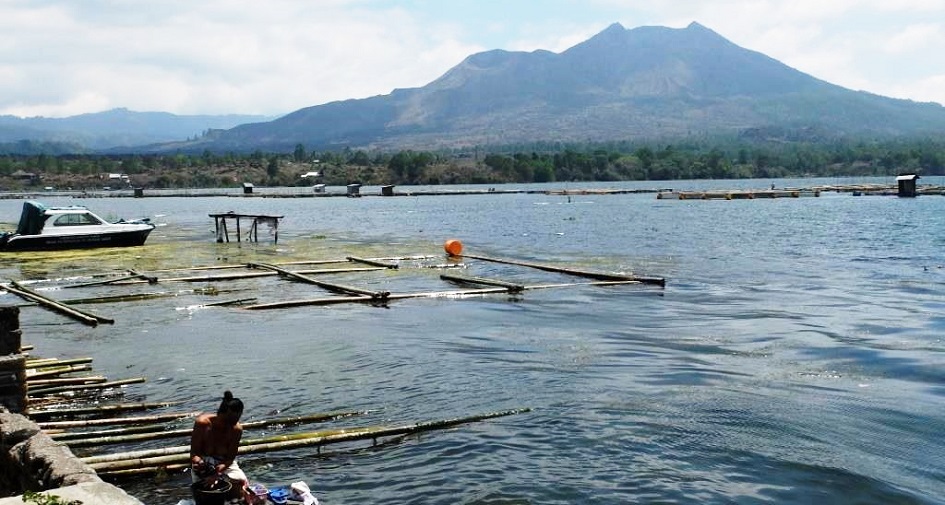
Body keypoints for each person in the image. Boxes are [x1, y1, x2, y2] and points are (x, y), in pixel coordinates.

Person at [190, 390, 248, 501]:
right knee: (207, 492)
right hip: (205, 464)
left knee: (239, 491)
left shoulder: (236, 429)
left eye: (236, 421)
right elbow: (194, 453)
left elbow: (230, 458)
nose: (231, 425)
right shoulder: (203, 424)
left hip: (223, 463)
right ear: (221, 414)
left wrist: (219, 471)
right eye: (228, 421)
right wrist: (198, 462)